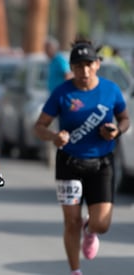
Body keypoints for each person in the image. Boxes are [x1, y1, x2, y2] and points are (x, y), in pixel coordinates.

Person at [33, 39, 130, 275]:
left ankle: (91, 230)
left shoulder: (110, 89)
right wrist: (54, 136)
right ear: (72, 67)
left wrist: (116, 131)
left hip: (102, 162)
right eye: (78, 66)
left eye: (89, 64)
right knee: (71, 221)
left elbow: (125, 119)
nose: (84, 71)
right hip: (69, 162)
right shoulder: (62, 93)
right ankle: (75, 270)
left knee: (102, 224)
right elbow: (39, 126)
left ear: (97, 64)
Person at [44, 37, 73, 167]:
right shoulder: (51, 62)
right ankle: (51, 159)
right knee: (50, 129)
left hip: (60, 100)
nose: (45, 51)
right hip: (52, 99)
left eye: (47, 48)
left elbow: (68, 75)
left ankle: (60, 158)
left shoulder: (60, 60)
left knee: (59, 129)